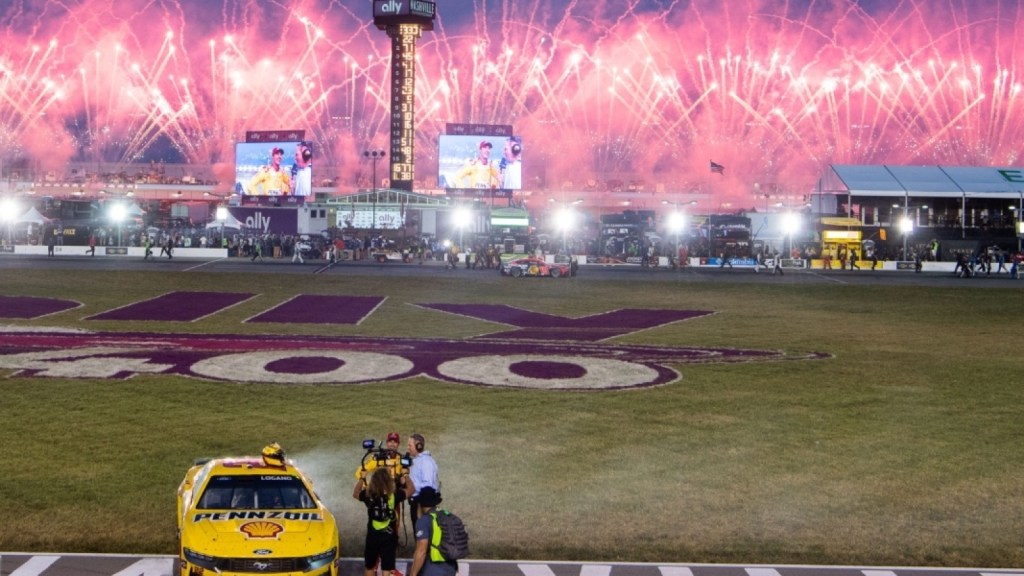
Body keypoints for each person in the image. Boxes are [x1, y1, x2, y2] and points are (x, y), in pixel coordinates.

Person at [354, 469, 399, 576]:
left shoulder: (368, 494)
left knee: (369, 566)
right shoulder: (394, 494)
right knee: (387, 569)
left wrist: (362, 478)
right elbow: (411, 490)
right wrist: (406, 475)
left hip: (373, 536)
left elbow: (356, 493)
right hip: (388, 536)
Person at [408, 487, 457, 576]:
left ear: (421, 504)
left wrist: (413, 574)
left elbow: (421, 551)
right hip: (451, 568)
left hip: (433, 570)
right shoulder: (446, 515)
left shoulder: (424, 521)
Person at [407, 433, 438, 526]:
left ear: (418, 446)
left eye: (410, 445)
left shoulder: (426, 462)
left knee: (423, 532)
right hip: (416, 502)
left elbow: (428, 486)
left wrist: (410, 487)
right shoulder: (417, 460)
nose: (408, 448)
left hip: (421, 504)